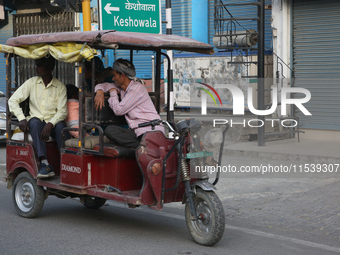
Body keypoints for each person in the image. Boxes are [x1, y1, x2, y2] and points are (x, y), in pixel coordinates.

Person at [8, 55, 69, 179]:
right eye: (36, 66)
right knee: (35, 123)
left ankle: (66, 162)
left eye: (39, 66)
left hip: (53, 124)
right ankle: (44, 163)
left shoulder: (60, 87)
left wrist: (50, 123)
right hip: (37, 123)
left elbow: (62, 111)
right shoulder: (31, 83)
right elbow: (13, 100)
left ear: (50, 68)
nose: (36, 69)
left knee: (61, 127)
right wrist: (21, 118)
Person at [94, 58, 164, 149]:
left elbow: (118, 111)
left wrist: (113, 92)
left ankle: (144, 147)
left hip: (149, 131)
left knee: (111, 131)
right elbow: (103, 85)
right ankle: (142, 146)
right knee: (110, 130)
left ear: (122, 76)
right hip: (137, 132)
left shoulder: (136, 89)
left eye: (114, 75)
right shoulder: (122, 88)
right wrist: (99, 92)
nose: (113, 78)